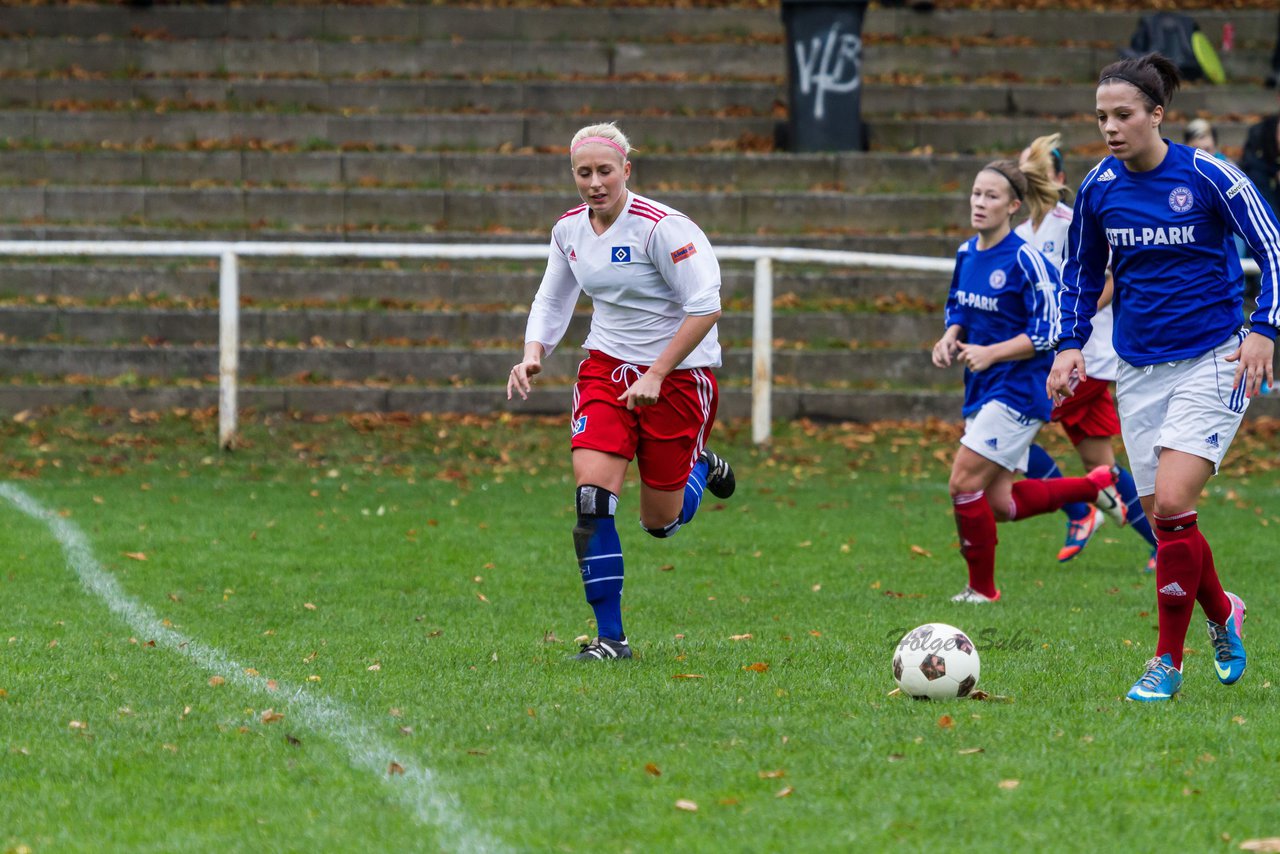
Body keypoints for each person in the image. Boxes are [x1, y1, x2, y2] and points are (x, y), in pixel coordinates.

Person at [1048, 53, 1279, 702]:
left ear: (1157, 114)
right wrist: (1070, 346)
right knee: (1163, 518)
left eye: (1124, 115)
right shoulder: (1098, 187)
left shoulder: (1211, 176)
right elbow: (1082, 274)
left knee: (1173, 504)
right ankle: (1222, 611)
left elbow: (1275, 248)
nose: (1112, 128)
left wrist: (1265, 328)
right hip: (1138, 369)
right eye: (1102, 117)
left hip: (1215, 359)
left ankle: (1166, 663)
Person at [507, 122, 736, 662]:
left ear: (626, 171)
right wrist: (533, 351)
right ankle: (611, 637)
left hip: (678, 380)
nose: (594, 183)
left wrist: (656, 373)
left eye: (604, 171)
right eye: (583, 173)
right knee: (592, 499)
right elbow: (553, 297)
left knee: (660, 523)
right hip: (607, 372)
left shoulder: (664, 229)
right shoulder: (569, 231)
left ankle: (701, 466)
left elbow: (706, 307)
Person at [932, 159, 1119, 605]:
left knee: (962, 483)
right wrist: (950, 336)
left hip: (1018, 390)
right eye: (976, 193)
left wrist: (992, 352)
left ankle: (982, 589)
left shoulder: (1025, 259)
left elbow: (1050, 330)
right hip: (981, 388)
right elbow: (958, 307)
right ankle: (1093, 485)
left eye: (991, 196)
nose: (980, 203)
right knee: (1000, 504)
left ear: (1013, 205)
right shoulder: (965, 253)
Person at [1014, 134, 1158, 569]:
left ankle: (1080, 512)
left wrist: (1068, 315)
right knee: (1103, 467)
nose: (1028, 177)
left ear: (1059, 178)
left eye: (1035, 169)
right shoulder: (1021, 233)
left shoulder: (1071, 221)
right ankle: (1160, 542)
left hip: (1084, 360)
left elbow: (1108, 281)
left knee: (1007, 434)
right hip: (1051, 358)